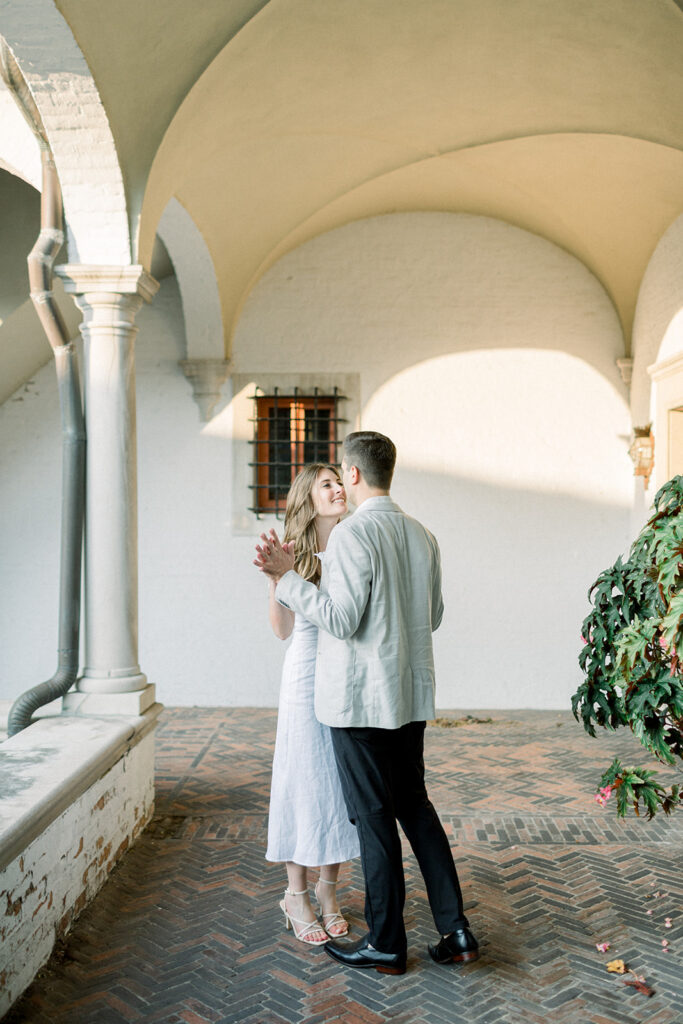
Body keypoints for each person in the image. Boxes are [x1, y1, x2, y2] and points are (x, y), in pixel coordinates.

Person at [254, 431, 478, 976]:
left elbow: (340, 619)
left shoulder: (353, 534)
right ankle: (456, 930)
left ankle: (385, 941)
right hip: (409, 697)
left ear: (353, 475)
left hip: (358, 702)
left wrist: (286, 578)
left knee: (375, 820)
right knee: (418, 813)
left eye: (339, 475)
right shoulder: (423, 535)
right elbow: (434, 615)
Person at [261, 463, 360, 947]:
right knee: (303, 781)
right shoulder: (293, 553)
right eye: (328, 484)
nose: (339, 488)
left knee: (337, 786)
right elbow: (282, 631)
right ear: (309, 496)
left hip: (343, 679)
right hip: (304, 679)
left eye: (341, 481)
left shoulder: (351, 545)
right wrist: (274, 576)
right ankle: (295, 894)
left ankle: (328, 891)